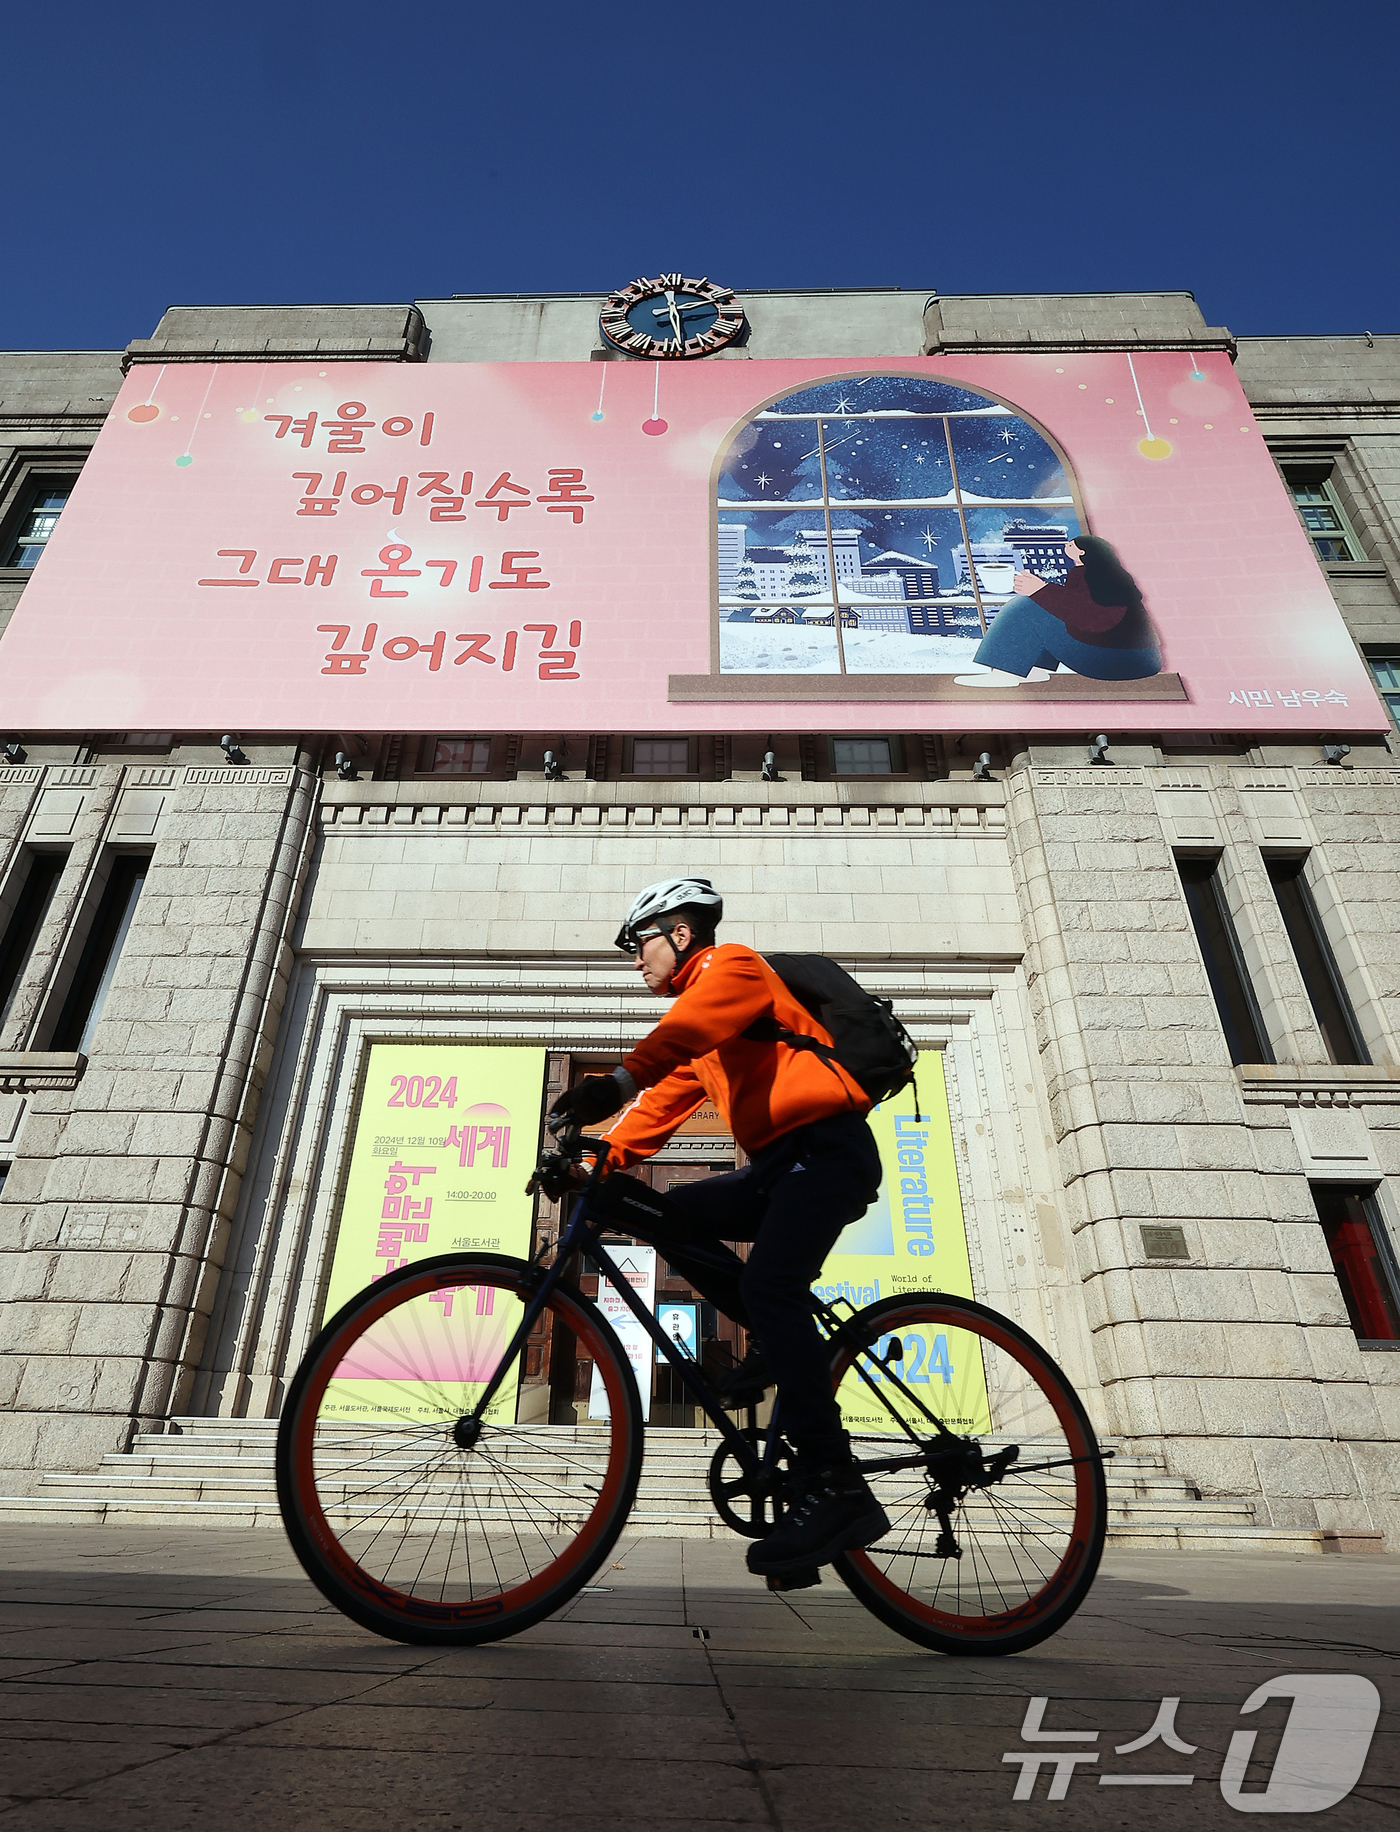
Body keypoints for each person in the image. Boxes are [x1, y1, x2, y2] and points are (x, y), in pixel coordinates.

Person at [546, 876, 890, 1580]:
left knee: (771, 1284)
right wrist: (593, 1165)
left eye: (639, 943)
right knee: (672, 1214)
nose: (635, 959)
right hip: (778, 1166)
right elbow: (662, 1103)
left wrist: (614, 1079)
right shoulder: (706, 1038)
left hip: (825, 1151)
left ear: (680, 933)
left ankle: (838, 1486)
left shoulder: (734, 968)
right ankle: (771, 1337)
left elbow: (679, 1038)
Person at [954, 534, 1161, 686]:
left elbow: (1093, 618)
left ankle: (1002, 672)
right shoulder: (1094, 573)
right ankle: (1034, 668)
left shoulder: (1105, 578)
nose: (1066, 545)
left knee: (1024, 606)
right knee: (1042, 607)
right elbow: (1074, 611)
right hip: (1127, 659)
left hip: (1118, 661)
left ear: (1083, 552)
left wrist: (1042, 590)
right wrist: (1044, 592)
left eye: (1071, 544)